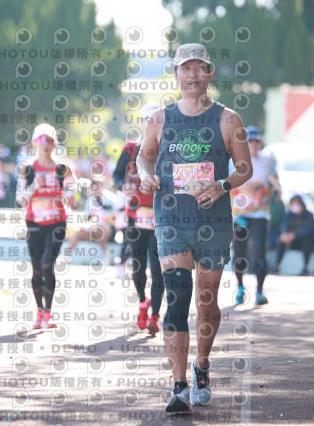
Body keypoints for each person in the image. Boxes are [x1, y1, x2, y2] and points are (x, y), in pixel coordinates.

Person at [137, 43, 252, 413]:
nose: (192, 76)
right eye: (185, 69)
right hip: (171, 220)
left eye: (199, 68)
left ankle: (201, 365)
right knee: (177, 296)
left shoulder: (229, 120)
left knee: (206, 302)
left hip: (214, 223)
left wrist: (222, 185)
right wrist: (145, 175)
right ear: (176, 75)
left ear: (209, 72)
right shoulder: (158, 119)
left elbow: (245, 168)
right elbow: (144, 157)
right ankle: (179, 386)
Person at [113, 102, 165, 334]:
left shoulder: (169, 149)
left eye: (157, 120)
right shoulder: (130, 149)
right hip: (136, 217)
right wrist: (122, 186)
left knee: (158, 268)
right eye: (147, 120)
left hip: (162, 218)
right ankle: (143, 302)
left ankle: (155, 315)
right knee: (138, 266)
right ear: (142, 123)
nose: (152, 124)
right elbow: (116, 175)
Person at [21, 123, 74, 330]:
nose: (46, 144)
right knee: (36, 269)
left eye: (50, 140)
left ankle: (48, 312)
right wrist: (36, 185)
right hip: (34, 223)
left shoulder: (62, 167)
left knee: (46, 264)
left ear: (54, 144)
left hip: (56, 224)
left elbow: (74, 187)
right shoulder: (27, 168)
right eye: (42, 140)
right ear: (35, 142)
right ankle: (39, 311)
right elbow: (20, 199)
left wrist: (70, 195)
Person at [231, 125, 281, 306]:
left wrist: (276, 188)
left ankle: (260, 290)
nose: (253, 144)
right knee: (240, 252)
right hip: (240, 215)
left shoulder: (267, 160)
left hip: (260, 214)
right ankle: (240, 287)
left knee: (259, 251)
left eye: (257, 140)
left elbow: (275, 180)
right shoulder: (234, 160)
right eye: (250, 140)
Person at [272, 194, 314, 275]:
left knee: (307, 241)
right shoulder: (288, 214)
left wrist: (295, 235)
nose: (295, 206)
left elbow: (310, 230)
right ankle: (277, 266)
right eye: (293, 204)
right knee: (281, 240)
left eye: (297, 203)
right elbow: (285, 226)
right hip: (291, 241)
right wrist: (286, 235)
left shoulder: (309, 215)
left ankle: (305, 267)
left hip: (304, 241)